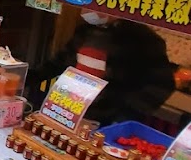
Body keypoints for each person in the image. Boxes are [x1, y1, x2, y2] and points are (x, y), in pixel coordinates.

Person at [30, 11, 175, 124]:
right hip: (67, 108)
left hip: (105, 119)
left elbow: (162, 85)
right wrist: (28, 77)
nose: (87, 11)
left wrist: (125, 117)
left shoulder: (142, 39)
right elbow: (59, 62)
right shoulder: (86, 31)